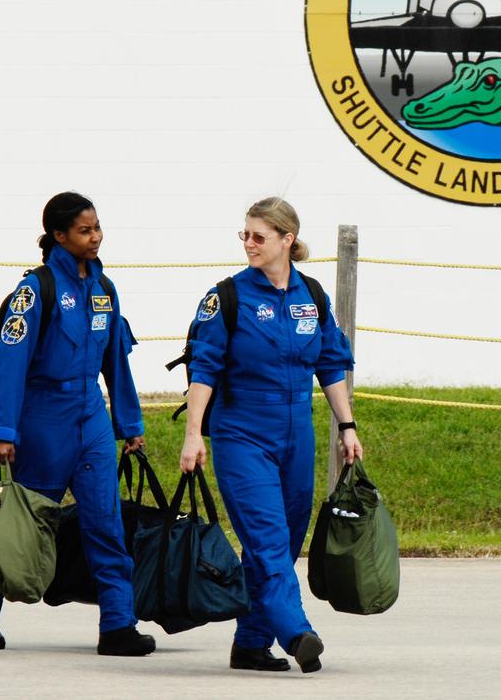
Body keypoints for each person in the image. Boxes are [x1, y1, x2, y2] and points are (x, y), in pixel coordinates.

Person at [0, 191, 155, 657]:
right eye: (85, 230)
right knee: (24, 528)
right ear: (59, 235)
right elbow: (10, 364)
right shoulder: (36, 290)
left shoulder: (105, 290)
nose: (95, 237)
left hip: (91, 416)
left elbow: (116, 364)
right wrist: (3, 431)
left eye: (98, 227)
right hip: (42, 419)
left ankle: (118, 625)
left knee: (105, 523)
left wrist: (130, 424)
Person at [179, 196, 361, 674]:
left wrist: (347, 426)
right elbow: (204, 368)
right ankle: (296, 630)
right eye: (245, 235)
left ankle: (251, 643)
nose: (249, 244)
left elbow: (331, 363)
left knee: (288, 535)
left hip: (297, 432)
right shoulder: (228, 297)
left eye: (259, 236)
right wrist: (194, 434)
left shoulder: (312, 296)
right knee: (267, 540)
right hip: (242, 433)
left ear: (288, 240)